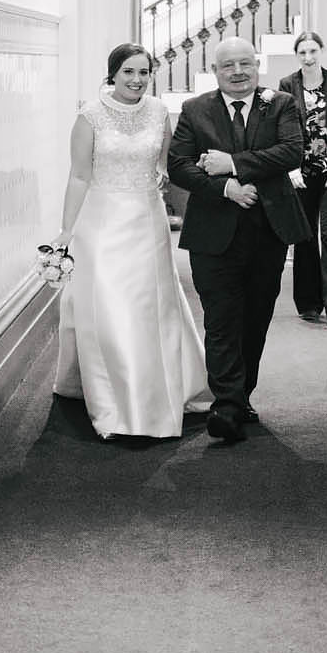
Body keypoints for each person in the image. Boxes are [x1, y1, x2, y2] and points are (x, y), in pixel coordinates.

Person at [50, 43, 213, 439]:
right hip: (103, 224)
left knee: (150, 307)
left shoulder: (159, 111)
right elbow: (79, 176)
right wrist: (65, 231)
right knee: (110, 308)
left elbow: (164, 161)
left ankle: (156, 392)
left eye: (144, 72)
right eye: (128, 72)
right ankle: (117, 402)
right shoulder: (90, 116)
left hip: (147, 221)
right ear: (113, 74)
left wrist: (164, 175)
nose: (137, 80)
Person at [167, 37, 312, 442]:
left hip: (269, 230)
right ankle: (227, 403)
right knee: (220, 317)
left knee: (256, 316)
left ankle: (241, 393)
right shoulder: (196, 110)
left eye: (245, 64)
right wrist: (224, 188)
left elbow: (291, 152)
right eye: (228, 65)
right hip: (212, 231)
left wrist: (233, 164)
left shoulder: (280, 103)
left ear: (256, 65)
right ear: (216, 72)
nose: (238, 72)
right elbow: (179, 166)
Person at [280, 30, 327, 327]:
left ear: (321, 51)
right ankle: (309, 302)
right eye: (302, 53)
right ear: (297, 55)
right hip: (302, 172)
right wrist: (290, 168)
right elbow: (283, 126)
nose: (308, 57)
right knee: (306, 234)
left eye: (313, 51)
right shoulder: (288, 84)